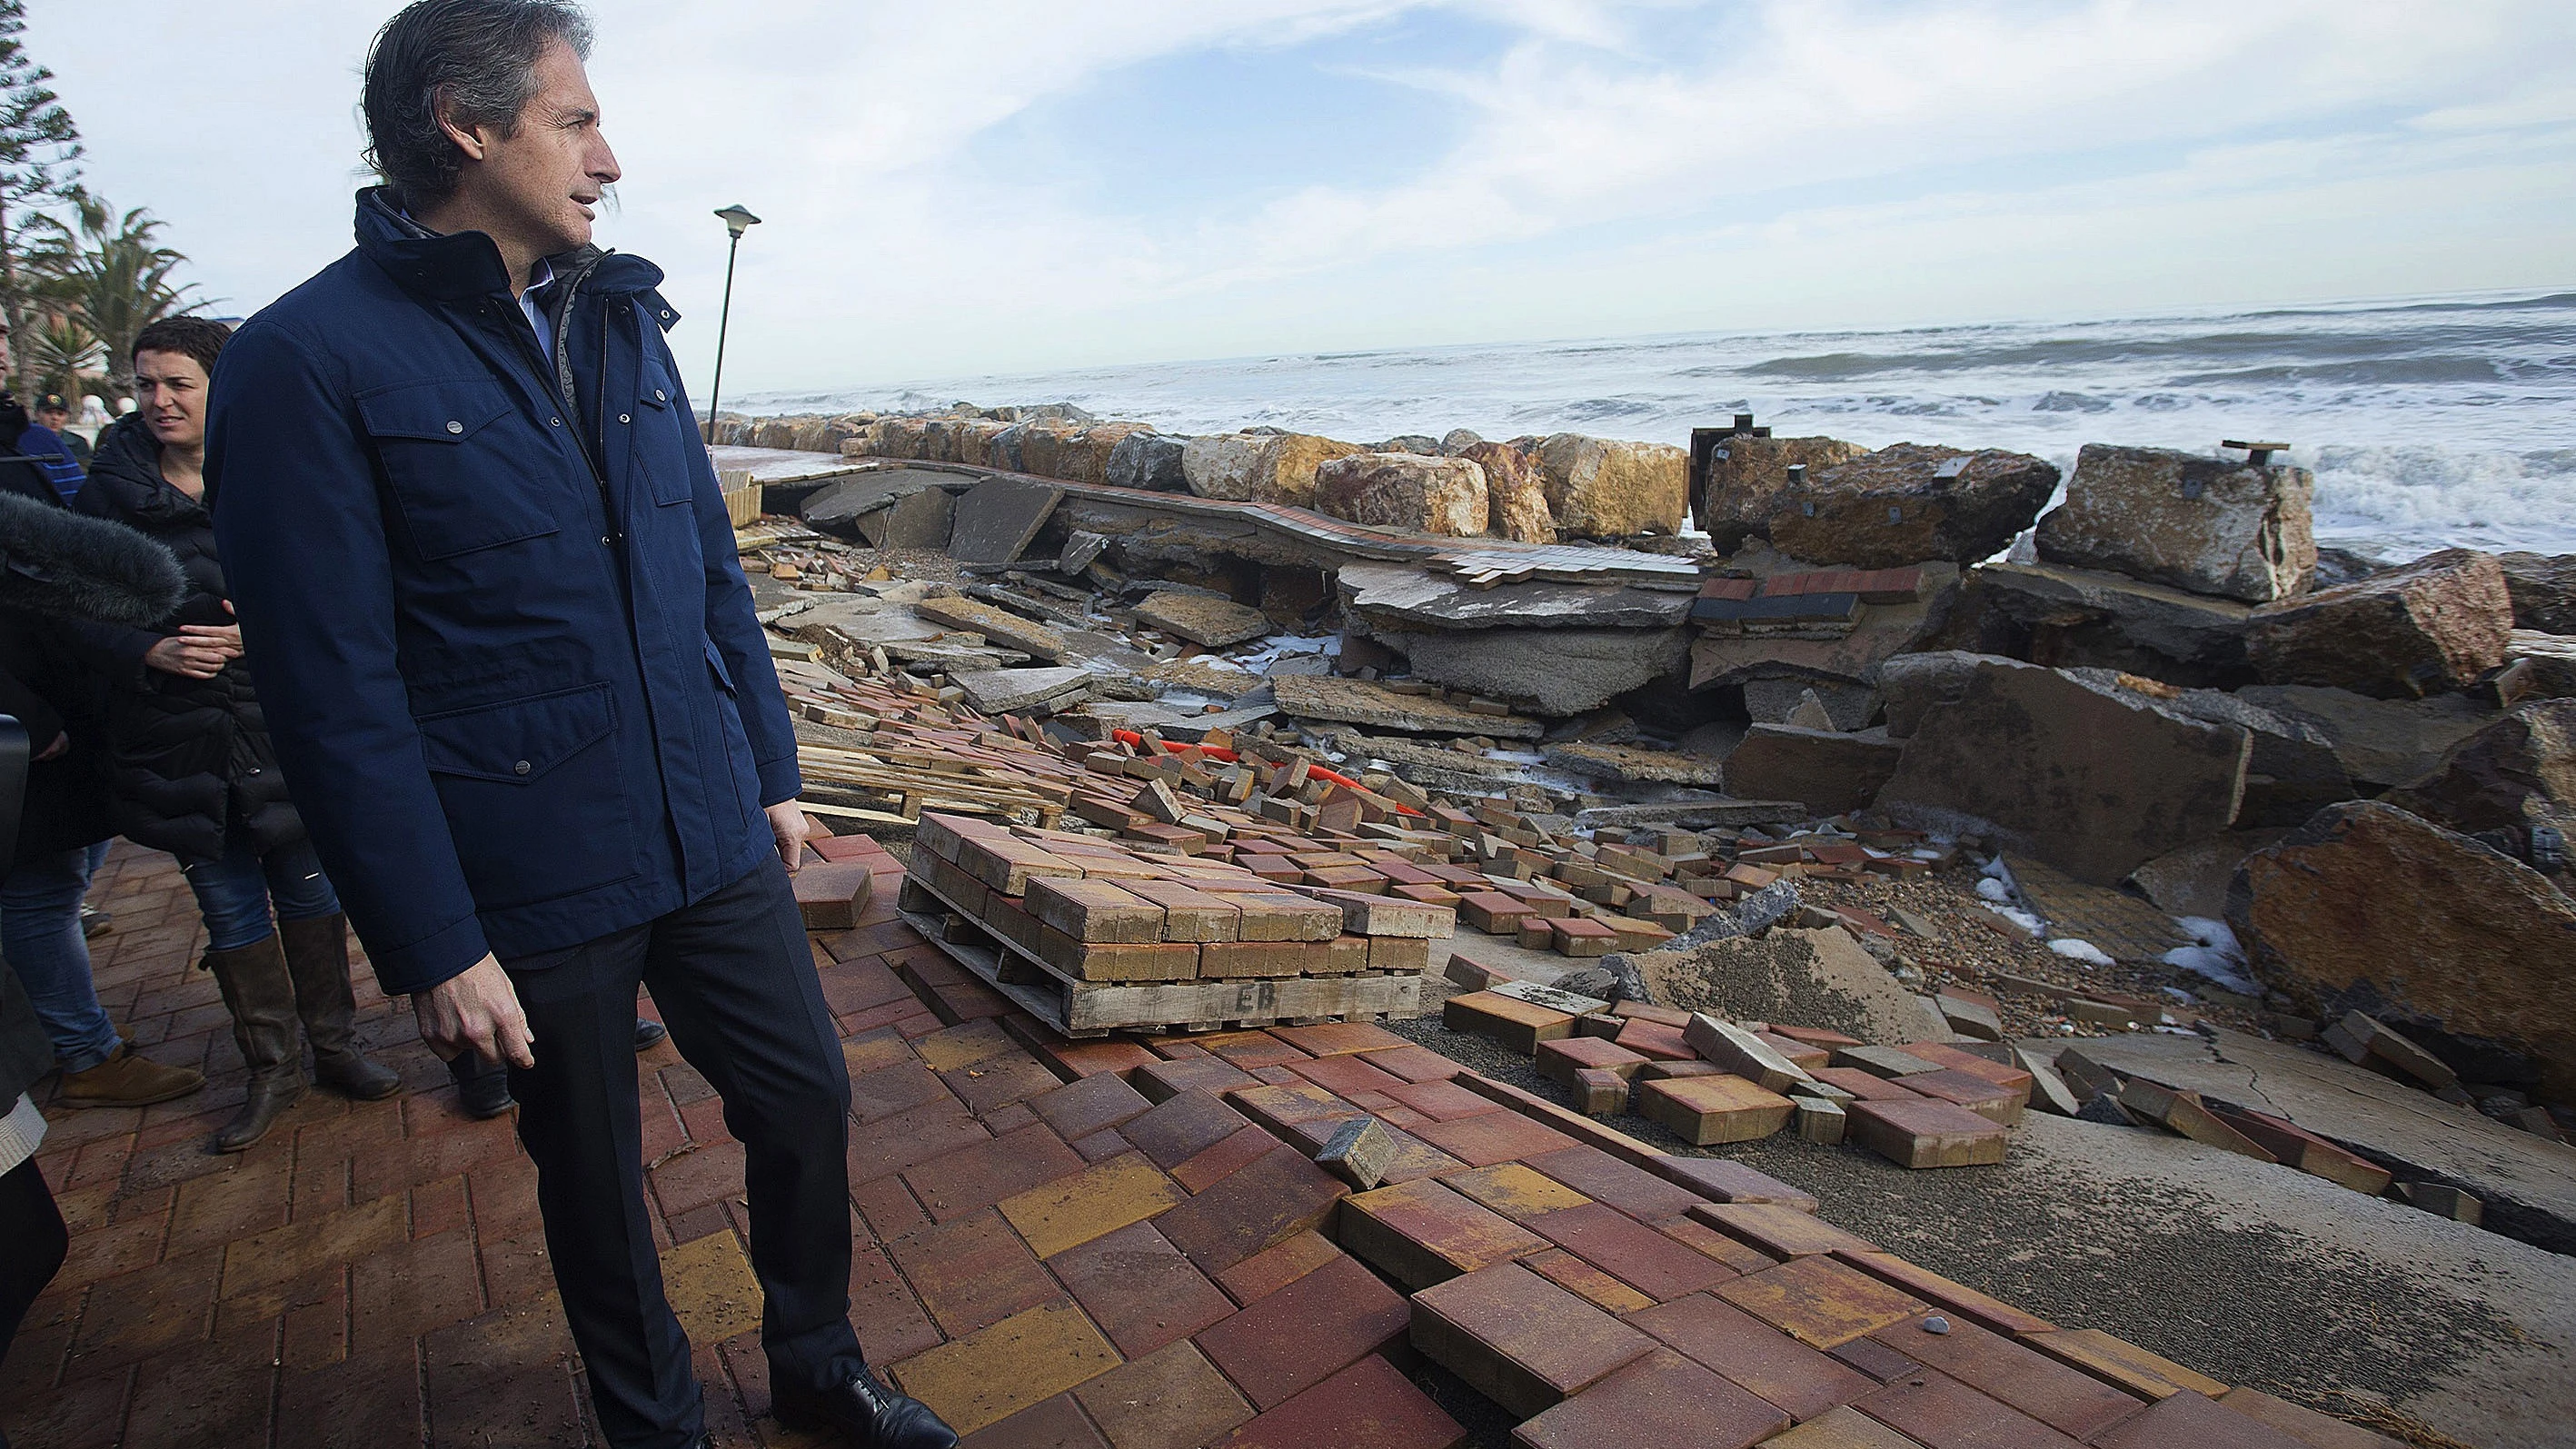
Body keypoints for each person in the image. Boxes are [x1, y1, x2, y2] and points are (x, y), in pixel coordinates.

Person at [206, 5, 954, 1448]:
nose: (609, 158)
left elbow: (704, 567)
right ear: (465, 126)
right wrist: (430, 940)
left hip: (706, 819)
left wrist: (773, 769)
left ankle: (816, 1361)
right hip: (526, 855)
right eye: (575, 120)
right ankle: (651, 1422)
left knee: (804, 1094)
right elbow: (328, 688)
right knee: (596, 1178)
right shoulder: (304, 360)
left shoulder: (620, 315)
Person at [76, 317, 404, 1152]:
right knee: (228, 910)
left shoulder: (275, 473)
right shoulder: (107, 494)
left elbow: (350, 581)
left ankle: (336, 1045)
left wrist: (264, 630)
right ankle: (272, 1067)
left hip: (281, 724)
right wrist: (144, 646)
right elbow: (69, 617)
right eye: (146, 383)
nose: (159, 401)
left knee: (310, 891)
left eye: (179, 383)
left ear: (220, 388)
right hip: (178, 742)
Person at [16, 396, 85, 500]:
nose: (55, 418)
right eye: (49, 413)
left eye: (60, 414)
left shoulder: (78, 442)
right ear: (37, 414)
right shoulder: (22, 440)